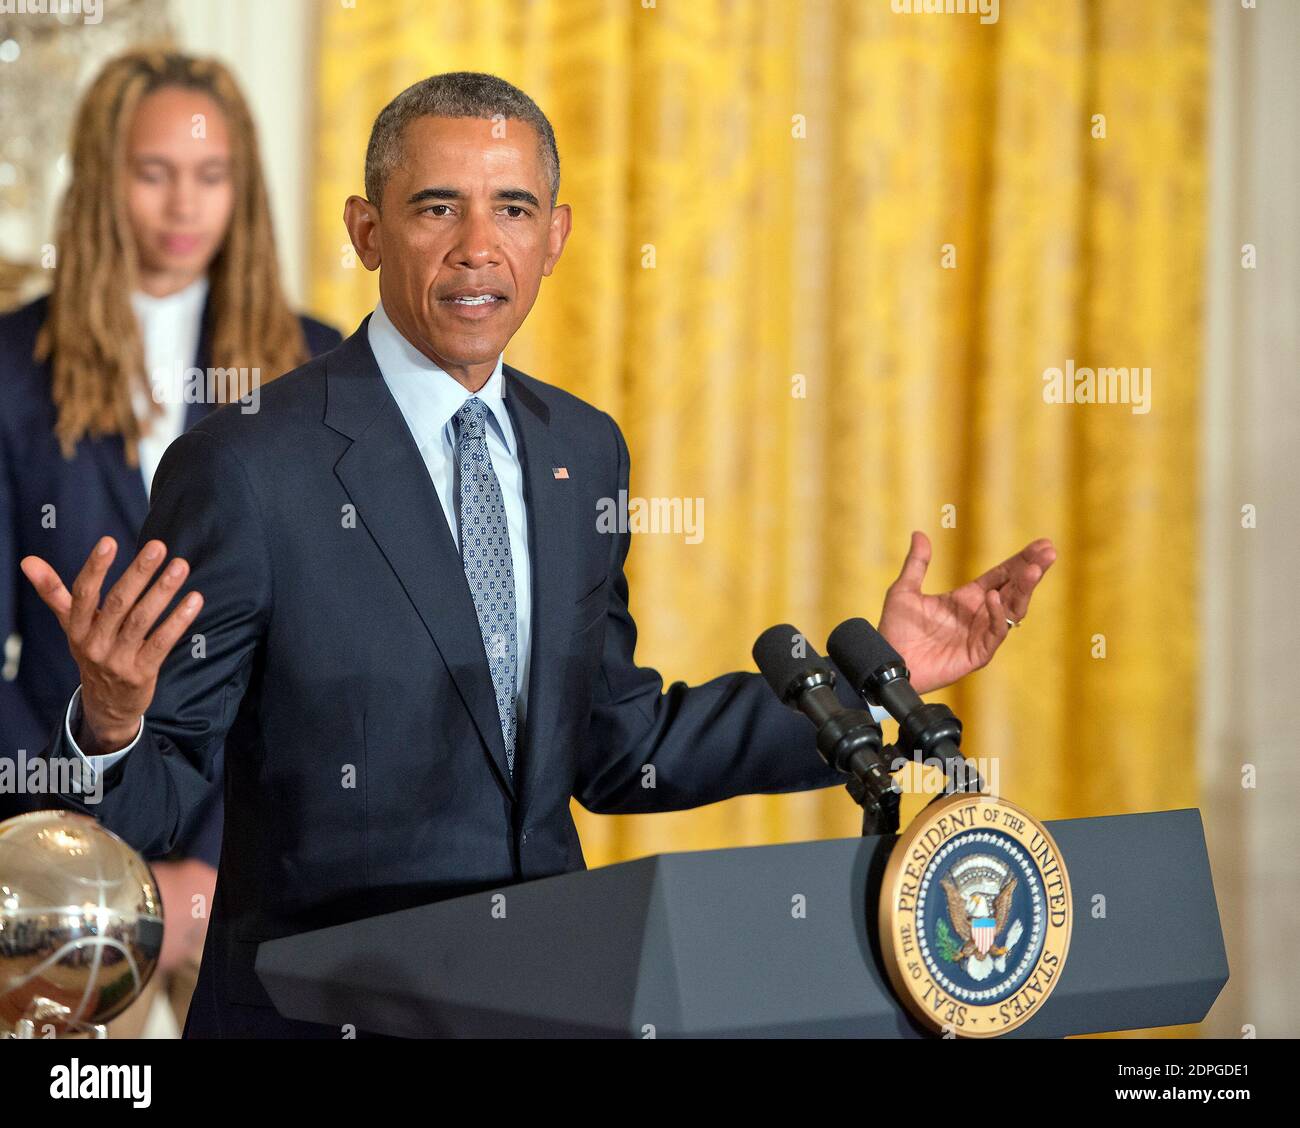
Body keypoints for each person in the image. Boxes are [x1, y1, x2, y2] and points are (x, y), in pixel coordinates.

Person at [18, 72, 1054, 1038]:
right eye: (437, 208)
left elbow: (617, 743)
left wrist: (880, 686)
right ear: (366, 231)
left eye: (513, 208)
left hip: (546, 1002)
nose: (479, 246)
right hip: (319, 1011)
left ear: (554, 237)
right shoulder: (246, 466)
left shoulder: (581, 449)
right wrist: (112, 719)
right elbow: (156, 795)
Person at [0, 50, 342, 1034]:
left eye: (211, 173)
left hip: (262, 867)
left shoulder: (317, 369)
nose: (183, 202)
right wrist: (99, 859)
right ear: (104, 182)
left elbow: (317, 662)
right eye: (154, 173)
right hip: (53, 867)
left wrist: (218, 870)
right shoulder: (12, 371)